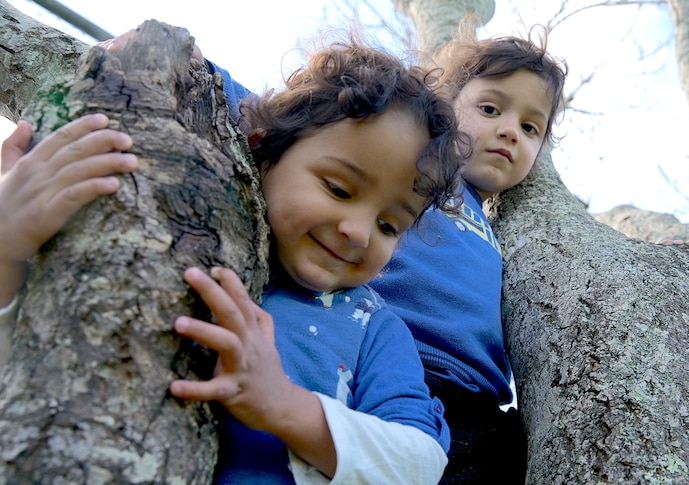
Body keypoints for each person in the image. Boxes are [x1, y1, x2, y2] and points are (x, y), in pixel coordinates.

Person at [0, 38, 470, 484]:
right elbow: (39, 348)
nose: (358, 231)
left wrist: (284, 406)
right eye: (339, 189)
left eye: (389, 225)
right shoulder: (173, 236)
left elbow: (420, 462)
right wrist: (7, 245)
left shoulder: (372, 326)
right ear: (261, 152)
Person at [178, 25, 566, 484]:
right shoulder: (404, 170)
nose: (509, 132)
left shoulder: (497, 235)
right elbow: (273, 117)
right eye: (489, 108)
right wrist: (190, 64)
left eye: (530, 127)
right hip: (373, 359)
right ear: (448, 104)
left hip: (475, 402)